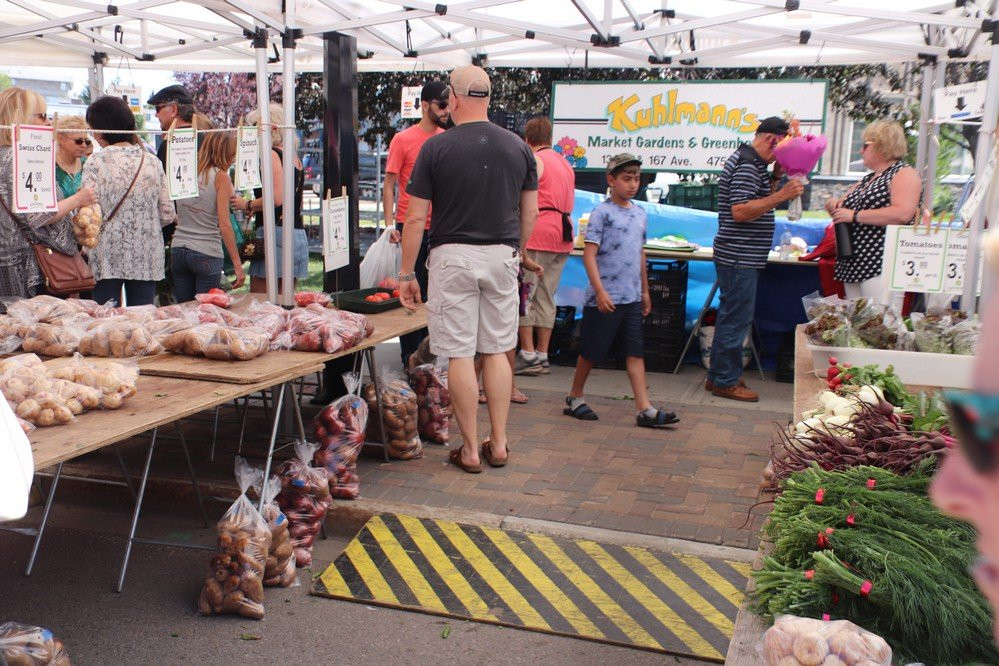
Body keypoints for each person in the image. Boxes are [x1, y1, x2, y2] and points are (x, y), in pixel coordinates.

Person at [398, 65, 538, 474]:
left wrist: (407, 273)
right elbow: (529, 211)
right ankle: (501, 442)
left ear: (454, 99)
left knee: (459, 353)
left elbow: (414, 216)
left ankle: (472, 449)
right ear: (489, 98)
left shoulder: (436, 148)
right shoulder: (518, 147)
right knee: (496, 348)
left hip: (451, 255)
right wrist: (518, 247)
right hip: (502, 253)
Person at [563, 154, 678, 428]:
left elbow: (640, 252)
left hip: (632, 296)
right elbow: (589, 255)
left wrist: (645, 291)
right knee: (591, 350)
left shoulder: (640, 213)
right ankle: (575, 396)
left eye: (636, 179)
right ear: (611, 180)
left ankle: (644, 408)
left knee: (635, 352)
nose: (632, 184)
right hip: (605, 297)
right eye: (626, 179)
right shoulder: (602, 214)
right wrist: (600, 291)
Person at [708, 116, 804, 402]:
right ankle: (726, 380)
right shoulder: (748, 166)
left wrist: (775, 177)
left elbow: (754, 199)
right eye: (781, 149)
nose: (782, 155)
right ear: (770, 140)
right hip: (739, 255)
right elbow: (741, 211)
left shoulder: (751, 162)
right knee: (736, 320)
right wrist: (783, 194)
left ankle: (718, 376)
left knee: (730, 317)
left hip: (738, 254)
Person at [0, 88, 95, 304]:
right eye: (43, 116)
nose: (49, 123)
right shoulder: (26, 157)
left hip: (6, 262)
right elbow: (39, 215)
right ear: (21, 118)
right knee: (35, 333)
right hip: (31, 268)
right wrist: (78, 199)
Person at [84, 95, 176, 306]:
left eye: (92, 127)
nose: (92, 134)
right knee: (142, 323)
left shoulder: (95, 162)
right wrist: (143, 224)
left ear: (102, 127)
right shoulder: (152, 162)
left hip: (105, 254)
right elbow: (167, 213)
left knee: (107, 323)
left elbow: (88, 213)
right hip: (146, 253)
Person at [384, 80, 450, 366]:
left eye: (449, 104)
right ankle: (410, 358)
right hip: (409, 226)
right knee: (411, 291)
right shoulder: (403, 139)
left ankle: (427, 357)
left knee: (435, 295)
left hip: (441, 228)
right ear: (425, 105)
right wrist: (389, 224)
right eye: (442, 105)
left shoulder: (447, 139)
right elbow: (389, 184)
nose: (447, 111)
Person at [826, 120, 920, 306]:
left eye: (865, 146)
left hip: (881, 262)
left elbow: (902, 213)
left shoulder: (903, 173)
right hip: (854, 262)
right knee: (859, 323)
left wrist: (854, 215)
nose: (861, 151)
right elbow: (844, 211)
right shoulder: (868, 179)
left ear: (882, 145)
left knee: (881, 324)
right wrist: (835, 206)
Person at [515, 116, 576, 376]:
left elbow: (525, 196)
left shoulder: (536, 161)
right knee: (547, 295)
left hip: (538, 233)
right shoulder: (566, 164)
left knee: (526, 293)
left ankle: (527, 354)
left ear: (528, 140)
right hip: (562, 236)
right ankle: (543, 353)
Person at [230, 103, 308, 295]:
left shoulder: (273, 154)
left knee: (260, 302)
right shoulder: (293, 156)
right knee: (285, 302)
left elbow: (276, 198)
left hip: (276, 234)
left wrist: (246, 204)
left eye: (256, 126)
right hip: (295, 232)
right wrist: (256, 207)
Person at [171, 131, 246, 302]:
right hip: (206, 251)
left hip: (179, 248)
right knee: (206, 315)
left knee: (185, 311)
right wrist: (237, 265)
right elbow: (224, 224)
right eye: (232, 155)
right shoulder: (221, 178)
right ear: (223, 153)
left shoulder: (186, 171)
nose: (234, 159)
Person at [147, 84, 195, 244]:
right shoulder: (207, 140)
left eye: (159, 108)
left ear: (173, 109)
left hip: (177, 232)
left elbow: (161, 189)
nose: (155, 115)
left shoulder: (170, 145)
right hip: (205, 231)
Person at [53, 116, 91, 201]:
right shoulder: (49, 166)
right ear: (61, 139)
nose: (84, 145)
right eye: (79, 141)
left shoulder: (87, 165)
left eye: (87, 141)